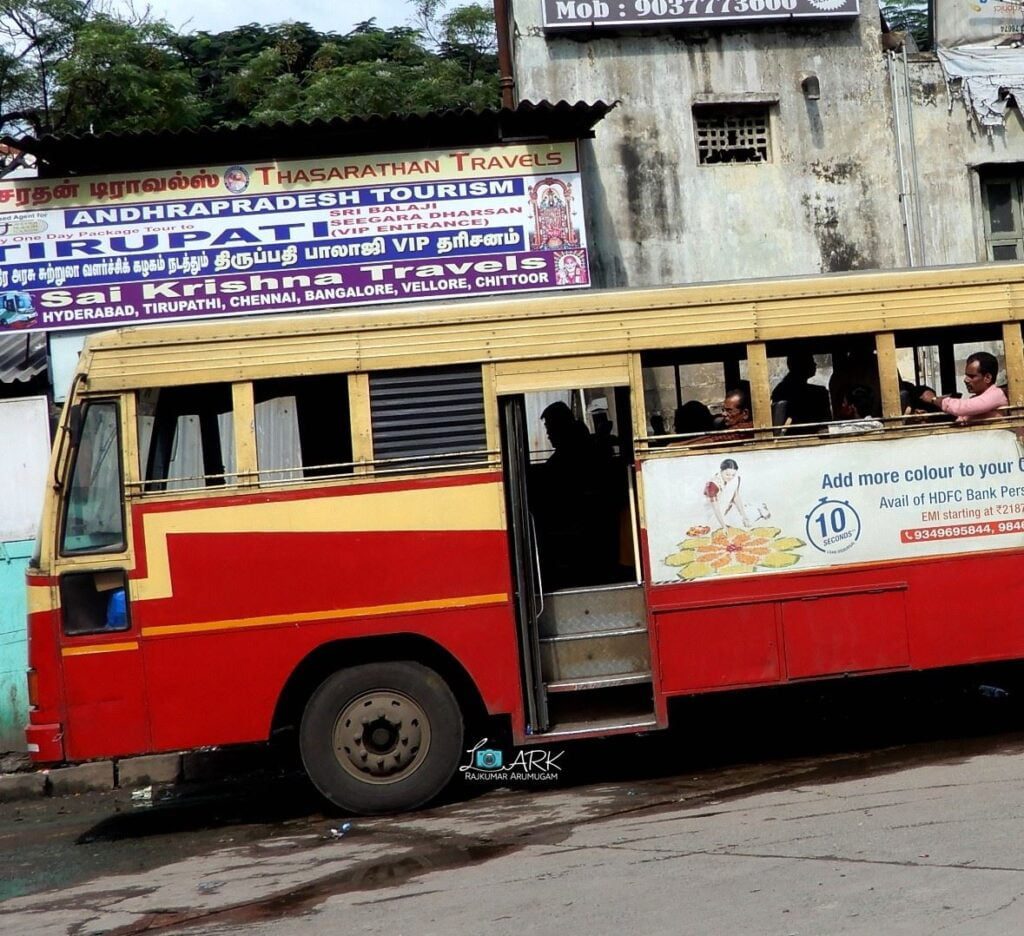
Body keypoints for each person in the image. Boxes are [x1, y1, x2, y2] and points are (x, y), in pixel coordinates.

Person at [918, 351, 1007, 424]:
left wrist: (933, 399)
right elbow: (961, 420)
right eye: (966, 376)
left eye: (972, 376)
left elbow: (961, 408)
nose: (965, 380)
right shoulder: (975, 398)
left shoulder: (996, 394)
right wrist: (929, 418)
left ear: (987, 378)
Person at [771, 353, 832, 428]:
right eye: (811, 361)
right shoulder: (819, 393)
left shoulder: (780, 389)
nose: (815, 364)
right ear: (801, 365)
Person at [704, 458, 751, 529]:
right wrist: (724, 526)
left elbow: (736, 496)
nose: (730, 477)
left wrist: (744, 516)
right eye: (727, 474)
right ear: (721, 471)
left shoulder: (735, 479)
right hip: (714, 511)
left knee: (749, 515)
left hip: (728, 507)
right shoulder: (712, 484)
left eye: (733, 475)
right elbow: (716, 508)